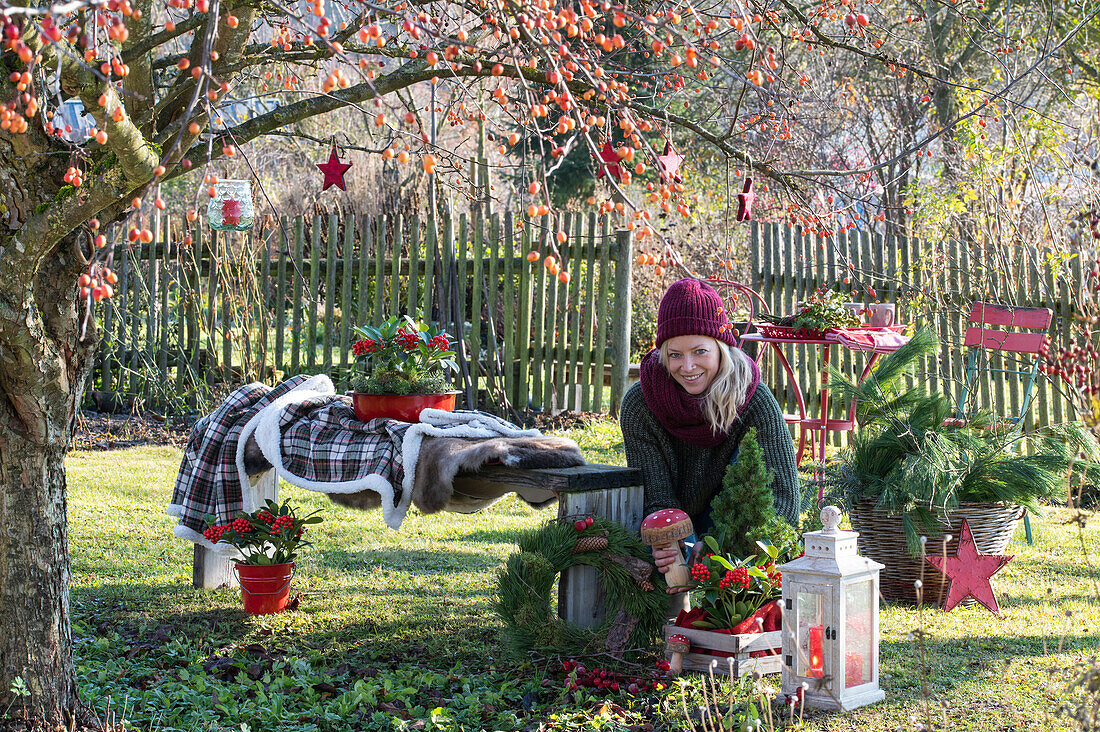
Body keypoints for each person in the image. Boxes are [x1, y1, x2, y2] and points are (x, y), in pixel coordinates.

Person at [621, 278, 799, 587]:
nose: (687, 366)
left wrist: (721, 544)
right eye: (674, 354)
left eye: (699, 351)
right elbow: (656, 495)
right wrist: (668, 543)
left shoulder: (754, 402)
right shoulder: (641, 403)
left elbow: (782, 502)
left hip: (737, 530)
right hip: (679, 523)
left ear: (722, 348)